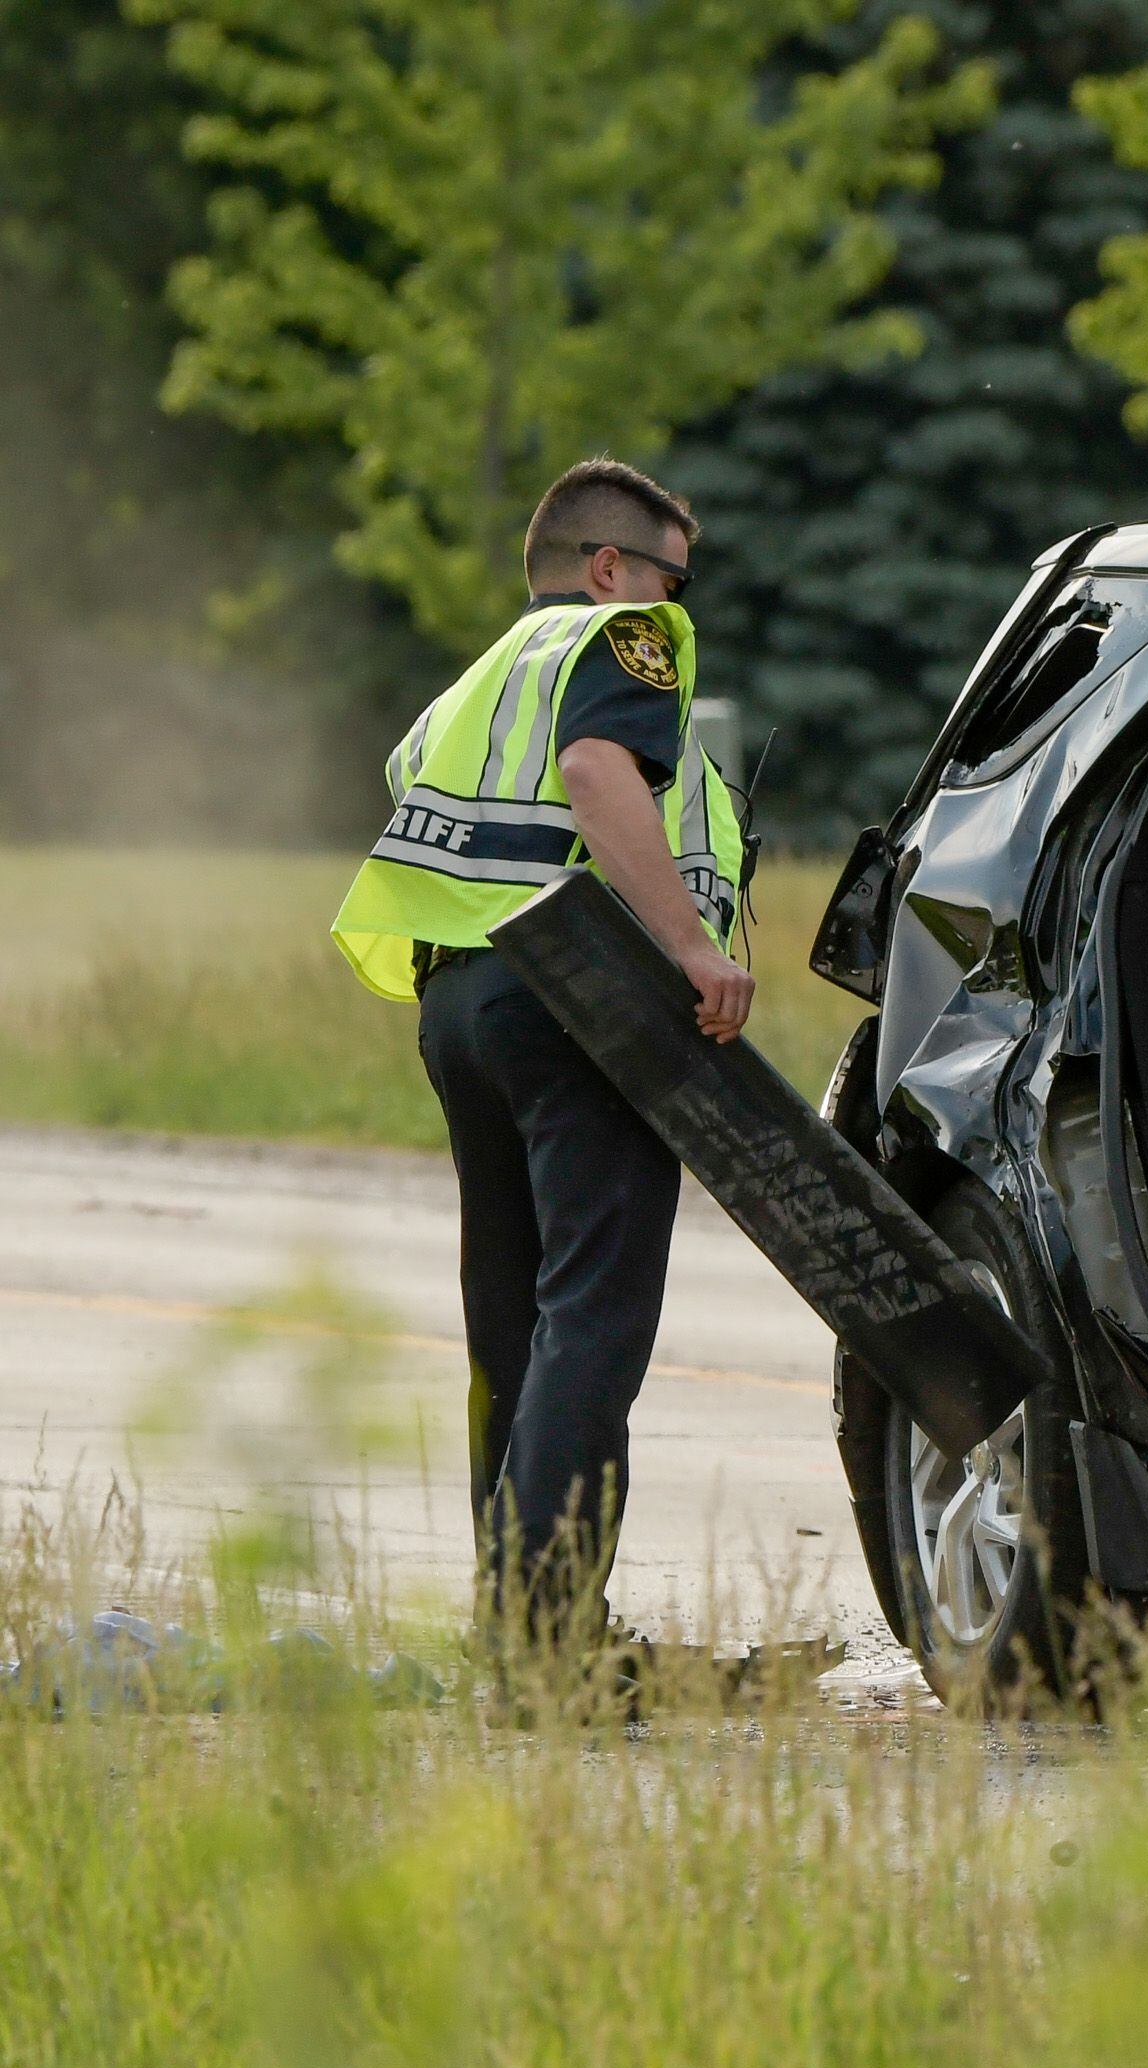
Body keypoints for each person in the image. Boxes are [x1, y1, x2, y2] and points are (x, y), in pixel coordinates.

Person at [330, 457, 753, 1648]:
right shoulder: (626, 640)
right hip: (578, 995)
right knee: (592, 1316)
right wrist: (690, 947)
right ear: (611, 568)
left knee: (511, 1315)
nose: (683, 603)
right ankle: (549, 1629)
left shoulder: (472, 684)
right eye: (675, 575)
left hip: (460, 1003)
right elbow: (594, 771)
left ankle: (509, 1616)